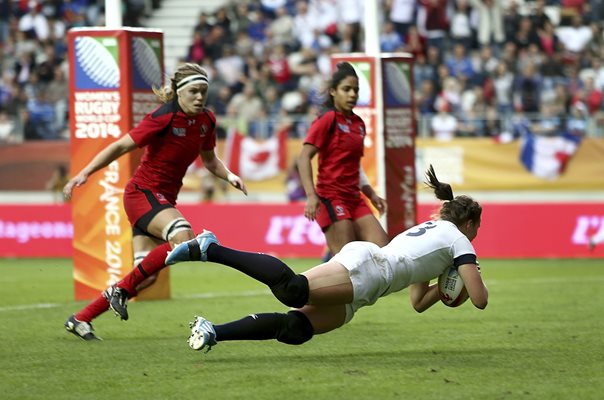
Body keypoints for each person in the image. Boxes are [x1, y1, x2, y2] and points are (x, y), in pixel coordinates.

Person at [165, 165, 488, 352]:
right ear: (470, 223)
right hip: (369, 269)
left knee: (296, 328)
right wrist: (466, 274)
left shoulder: (435, 232)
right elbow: (480, 299)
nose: (476, 235)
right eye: (478, 228)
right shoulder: (459, 240)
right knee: (292, 290)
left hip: (370, 286)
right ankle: (211, 248)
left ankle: (213, 332)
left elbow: (418, 301)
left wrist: (443, 289)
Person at [63, 63, 248, 341]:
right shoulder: (163, 116)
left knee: (146, 276)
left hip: (161, 200)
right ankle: (118, 292)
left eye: (204, 92)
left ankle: (81, 318)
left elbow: (210, 161)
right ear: (179, 93)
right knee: (183, 236)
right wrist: (85, 172)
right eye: (194, 92)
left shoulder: (206, 121)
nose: (200, 97)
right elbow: (120, 146)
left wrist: (230, 176)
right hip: (142, 194)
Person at [297, 62, 389, 258]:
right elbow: (304, 157)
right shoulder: (327, 119)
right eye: (346, 89)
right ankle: (314, 283)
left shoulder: (358, 124)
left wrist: (371, 195)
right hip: (331, 197)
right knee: (349, 260)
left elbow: (355, 166)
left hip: (355, 198)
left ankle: (325, 266)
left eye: (356, 90)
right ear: (333, 91)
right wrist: (311, 196)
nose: (352, 95)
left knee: (385, 253)